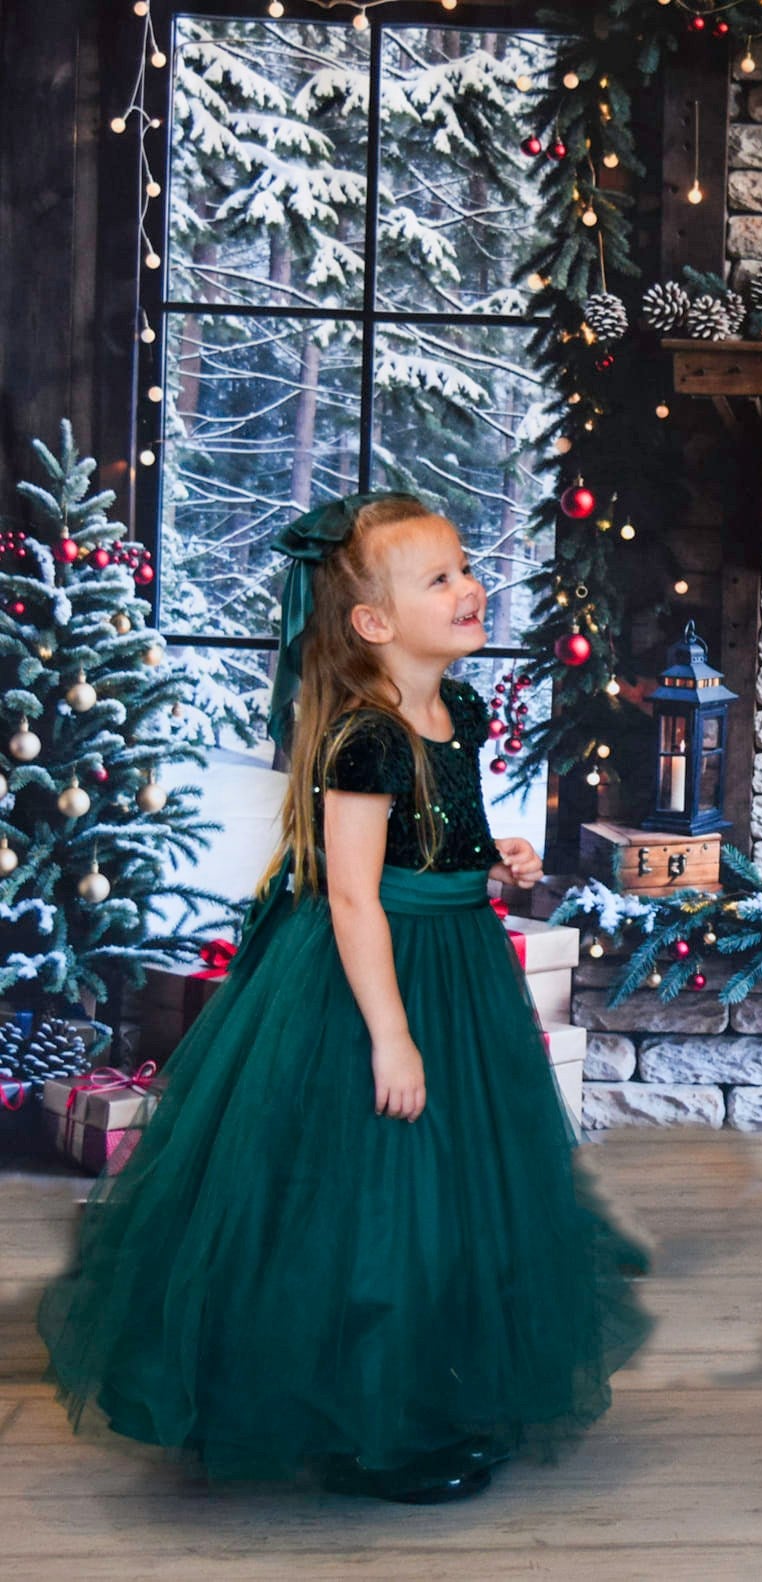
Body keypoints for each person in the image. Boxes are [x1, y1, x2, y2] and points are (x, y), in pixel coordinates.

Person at [38, 492, 650, 1503]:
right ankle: (366, 1423)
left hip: (456, 962)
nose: (469, 586)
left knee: (448, 1190)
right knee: (370, 1192)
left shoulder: (461, 710)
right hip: (373, 982)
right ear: (371, 622)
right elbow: (356, 892)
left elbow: (439, 833)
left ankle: (429, 1389)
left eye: (465, 566)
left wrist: (486, 858)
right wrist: (391, 1037)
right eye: (440, 577)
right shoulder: (362, 739)